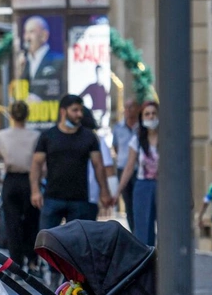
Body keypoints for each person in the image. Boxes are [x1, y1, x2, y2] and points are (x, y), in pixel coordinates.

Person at [31, 94, 113, 230]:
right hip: (52, 197)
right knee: (46, 242)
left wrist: (104, 191)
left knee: (79, 244)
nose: (79, 114)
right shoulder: (48, 136)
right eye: (75, 110)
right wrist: (35, 190)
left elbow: (98, 165)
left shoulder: (89, 136)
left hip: (79, 199)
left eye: (81, 110)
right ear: (63, 111)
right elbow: (36, 163)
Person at [0, 101, 41, 271]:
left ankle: (16, 262)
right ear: (27, 115)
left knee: (12, 224)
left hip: (10, 181)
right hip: (29, 180)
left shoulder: (2, 136)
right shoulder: (35, 136)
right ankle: (33, 260)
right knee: (31, 221)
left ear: (11, 115)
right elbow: (40, 163)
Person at [117, 100, 160, 245]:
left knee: (168, 226)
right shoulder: (137, 140)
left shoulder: (168, 139)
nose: (151, 117)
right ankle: (147, 264)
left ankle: (167, 264)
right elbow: (129, 167)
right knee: (143, 229)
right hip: (143, 186)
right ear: (142, 117)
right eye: (147, 114)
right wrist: (117, 192)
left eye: (154, 113)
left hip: (164, 186)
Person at [19, 15, 65, 102]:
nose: (27, 38)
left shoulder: (59, 61)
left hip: (49, 112)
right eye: (26, 32)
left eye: (32, 32)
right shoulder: (23, 61)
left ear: (44, 35)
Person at [82, 109, 116, 221]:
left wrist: (109, 196)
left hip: (91, 195)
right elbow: (109, 170)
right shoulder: (99, 141)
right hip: (88, 195)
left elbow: (108, 169)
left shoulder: (99, 141)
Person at [113, 100, 140, 230]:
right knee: (128, 203)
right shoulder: (118, 128)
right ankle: (134, 231)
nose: (128, 110)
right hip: (122, 168)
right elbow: (116, 146)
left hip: (139, 170)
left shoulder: (141, 128)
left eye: (131, 107)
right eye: (126, 107)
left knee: (138, 202)